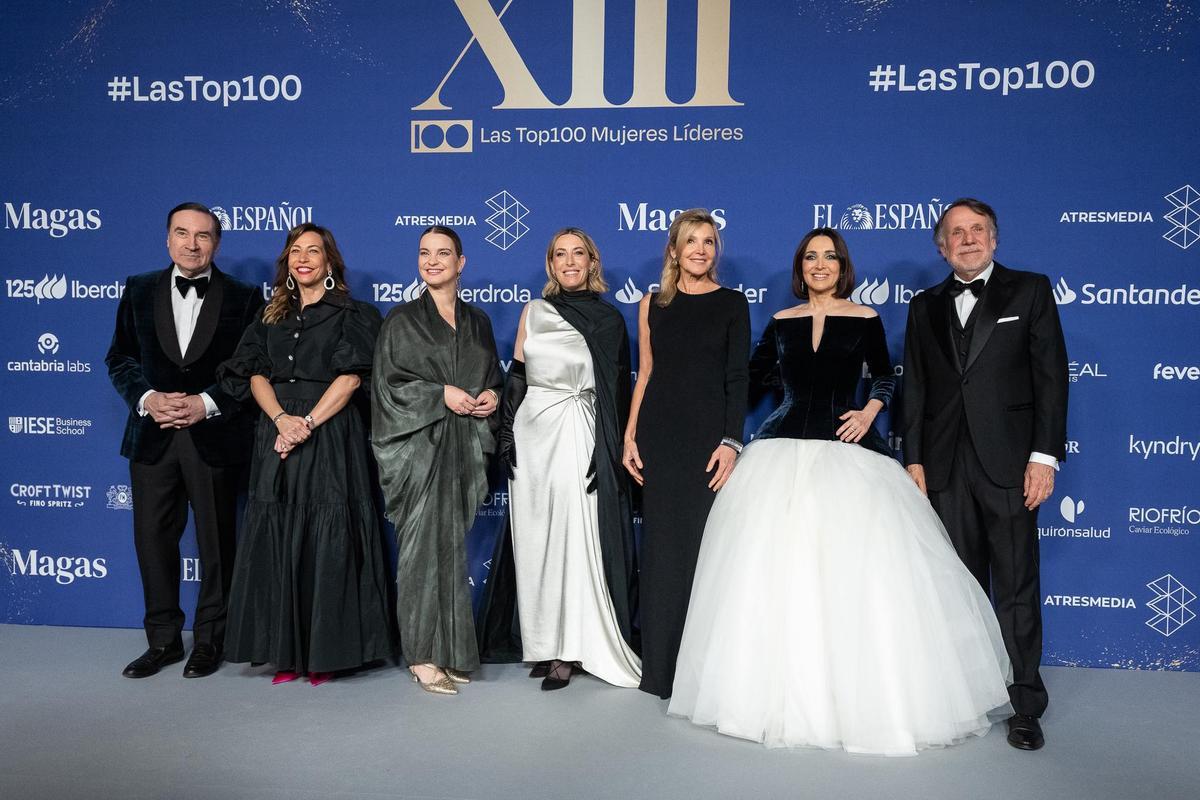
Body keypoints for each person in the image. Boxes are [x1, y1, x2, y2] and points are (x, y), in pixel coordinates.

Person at [669, 228, 1012, 755]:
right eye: (811, 257)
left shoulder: (866, 318)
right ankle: (771, 698)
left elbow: (883, 377)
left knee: (854, 579)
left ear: (843, 266)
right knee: (778, 579)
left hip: (850, 453)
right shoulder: (780, 322)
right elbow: (746, 378)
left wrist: (870, 410)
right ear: (800, 267)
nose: (820, 264)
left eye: (830, 257)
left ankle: (854, 701)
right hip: (779, 451)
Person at [902, 198, 1068, 751]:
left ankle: (1024, 704)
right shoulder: (923, 305)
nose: (967, 239)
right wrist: (915, 458)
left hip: (1010, 463)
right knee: (959, 586)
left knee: (1016, 585)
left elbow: (1051, 377)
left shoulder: (1030, 290)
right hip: (945, 465)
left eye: (977, 230)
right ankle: (968, 697)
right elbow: (918, 387)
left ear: (994, 240)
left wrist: (1044, 456)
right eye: (956, 233)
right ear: (942, 246)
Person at [216, 222, 391, 686]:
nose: (304, 257)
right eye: (296, 251)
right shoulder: (269, 316)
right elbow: (253, 373)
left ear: (330, 262)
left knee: (325, 536)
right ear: (287, 263)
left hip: (329, 432)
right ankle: (285, 653)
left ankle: (327, 654)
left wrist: (307, 423)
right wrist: (280, 421)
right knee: (280, 534)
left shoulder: (354, 314)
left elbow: (352, 378)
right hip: (276, 432)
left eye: (314, 250)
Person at [106, 202, 264, 680]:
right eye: (182, 233)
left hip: (213, 436)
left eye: (203, 235)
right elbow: (120, 358)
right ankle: (163, 642)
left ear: (217, 243)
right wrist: (149, 398)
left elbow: (249, 369)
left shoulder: (244, 297)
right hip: (152, 437)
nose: (192, 244)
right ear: (168, 239)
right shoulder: (137, 290)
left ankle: (211, 640)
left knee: (218, 543)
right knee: (153, 541)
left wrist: (207, 403)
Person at [498, 228, 640, 691]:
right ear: (551, 265)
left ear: (592, 262)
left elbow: (616, 393)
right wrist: (505, 429)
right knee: (537, 539)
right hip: (533, 433)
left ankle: (574, 648)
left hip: (580, 431)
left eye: (579, 253)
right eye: (561, 255)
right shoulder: (534, 311)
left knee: (574, 539)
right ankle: (545, 644)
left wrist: (609, 445)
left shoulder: (609, 320)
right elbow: (518, 373)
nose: (570, 261)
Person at [622, 209, 749, 699]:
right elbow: (646, 371)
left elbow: (736, 378)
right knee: (661, 555)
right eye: (690, 241)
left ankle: (702, 673)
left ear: (717, 251)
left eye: (709, 241)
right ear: (673, 250)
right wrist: (631, 434)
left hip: (706, 442)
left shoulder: (732, 304)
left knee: (703, 552)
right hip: (659, 436)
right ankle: (660, 672)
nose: (700, 249)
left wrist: (730, 441)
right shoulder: (651, 303)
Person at [372, 226, 502, 695]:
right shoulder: (401, 321)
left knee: (449, 551)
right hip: (418, 453)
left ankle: (452, 650)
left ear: (461, 262)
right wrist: (438, 394)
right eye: (425, 253)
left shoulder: (479, 321)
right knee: (420, 552)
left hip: (463, 451)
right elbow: (387, 389)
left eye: (443, 253)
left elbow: (493, 376)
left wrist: (490, 395)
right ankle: (422, 656)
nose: (432, 261)